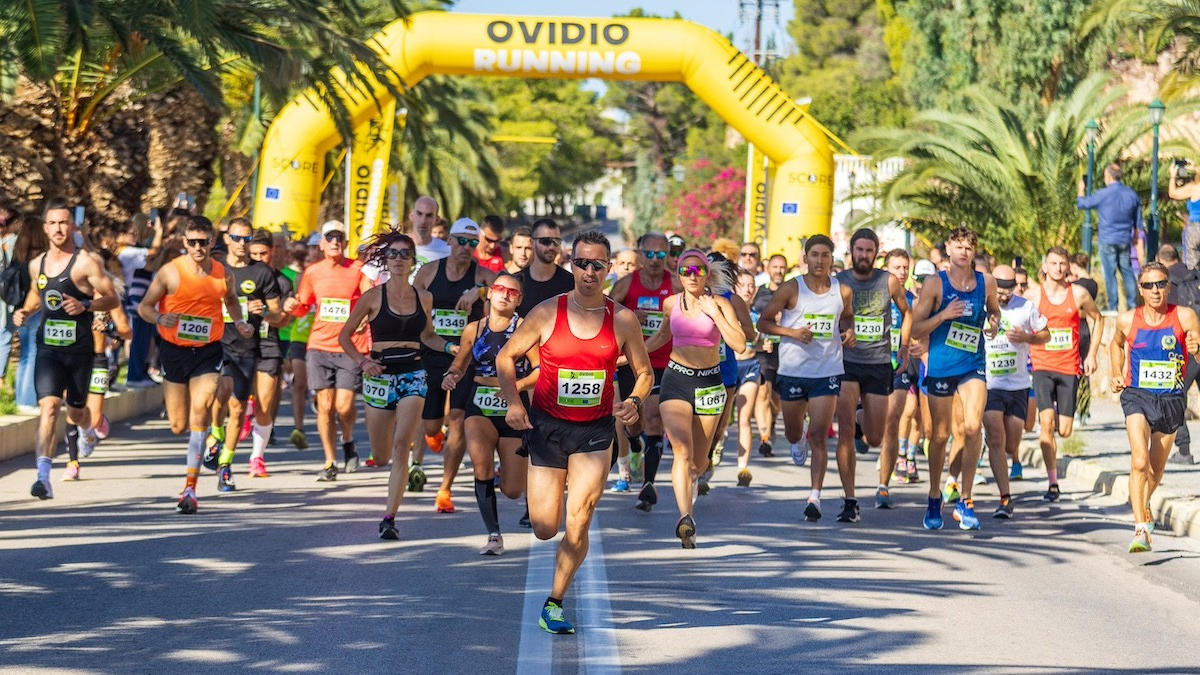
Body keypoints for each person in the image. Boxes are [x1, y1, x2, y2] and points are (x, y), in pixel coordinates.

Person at [496, 228, 652, 635]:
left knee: (579, 518)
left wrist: (634, 402)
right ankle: (546, 496)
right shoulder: (547, 312)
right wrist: (514, 402)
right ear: (571, 264)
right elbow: (505, 357)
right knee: (546, 527)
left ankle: (555, 602)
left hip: (595, 432)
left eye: (596, 264)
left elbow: (644, 373)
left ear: (608, 268)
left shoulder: (622, 320)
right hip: (547, 428)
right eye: (581, 263)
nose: (588, 271)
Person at [138, 216, 253, 513]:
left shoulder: (221, 273)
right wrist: (161, 318)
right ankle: (207, 444)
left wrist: (239, 321)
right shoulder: (169, 273)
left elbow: (231, 300)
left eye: (204, 242)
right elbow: (145, 307)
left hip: (207, 351)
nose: (199, 247)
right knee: (178, 425)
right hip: (174, 351)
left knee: (200, 408)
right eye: (193, 242)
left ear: (213, 242)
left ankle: (190, 488)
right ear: (184, 243)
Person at [336, 232, 444, 540]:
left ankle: (389, 517)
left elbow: (428, 336)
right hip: (379, 375)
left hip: (413, 373)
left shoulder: (424, 297)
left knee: (401, 447)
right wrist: (363, 362)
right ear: (386, 260)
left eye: (404, 254)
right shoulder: (372, 296)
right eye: (393, 254)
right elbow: (344, 337)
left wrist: (452, 349)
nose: (398, 259)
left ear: (413, 261)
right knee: (381, 455)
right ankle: (384, 477)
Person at [12, 199, 120, 498]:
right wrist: (24, 311)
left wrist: (86, 304)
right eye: (53, 223)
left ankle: (87, 430)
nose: (59, 229)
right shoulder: (37, 265)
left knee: (76, 411)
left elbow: (112, 299)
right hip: (48, 349)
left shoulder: (87, 263)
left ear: (73, 226)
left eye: (64, 223)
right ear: (45, 228)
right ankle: (43, 478)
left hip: (79, 351)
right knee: (49, 408)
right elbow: (38, 295)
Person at [642, 250, 744, 545]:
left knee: (697, 463)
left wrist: (715, 315)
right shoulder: (670, 303)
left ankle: (693, 487)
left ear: (706, 273)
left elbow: (738, 342)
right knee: (681, 452)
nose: (691, 276)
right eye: (685, 271)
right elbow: (662, 336)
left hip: (710, 384)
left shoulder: (721, 304)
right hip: (676, 380)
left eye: (697, 270)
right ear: (678, 274)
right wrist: (631, 354)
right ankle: (685, 517)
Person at [757, 234, 855, 523]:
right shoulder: (791, 288)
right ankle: (795, 439)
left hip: (826, 372)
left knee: (819, 436)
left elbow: (847, 318)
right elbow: (764, 322)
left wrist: (849, 332)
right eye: (815, 254)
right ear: (806, 257)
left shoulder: (843, 291)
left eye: (825, 255)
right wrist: (792, 333)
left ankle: (815, 495)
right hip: (793, 370)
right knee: (792, 432)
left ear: (831, 258)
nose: (820, 260)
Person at [909, 227, 1001, 530]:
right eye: (958, 246)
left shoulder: (985, 282)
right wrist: (943, 315)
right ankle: (934, 495)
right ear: (949, 249)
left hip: (972, 364)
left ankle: (966, 498)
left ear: (974, 251)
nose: (964, 252)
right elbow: (916, 330)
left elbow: (995, 311)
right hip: (941, 367)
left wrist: (994, 323)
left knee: (974, 428)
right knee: (939, 435)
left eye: (969, 247)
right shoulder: (936, 284)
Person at [442, 273, 539, 554]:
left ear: (519, 299)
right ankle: (494, 535)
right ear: (490, 293)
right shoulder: (474, 328)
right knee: (481, 466)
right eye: (499, 289)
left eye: (512, 291)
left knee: (512, 490)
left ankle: (506, 476)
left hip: (514, 408)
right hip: (480, 404)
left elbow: (539, 369)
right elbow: (460, 364)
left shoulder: (525, 330)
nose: (505, 294)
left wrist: (516, 387)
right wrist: (451, 375)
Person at [1108, 261, 1200, 552]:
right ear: (1140, 289)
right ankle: (1140, 528)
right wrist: (1115, 370)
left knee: (1155, 470)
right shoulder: (1127, 319)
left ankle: (1143, 502)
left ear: (1169, 286)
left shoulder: (1185, 317)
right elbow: (1115, 343)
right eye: (1149, 285)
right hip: (1137, 396)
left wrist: (1197, 348)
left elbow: (1198, 351)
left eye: (1161, 284)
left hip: (1171, 399)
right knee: (1139, 461)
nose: (1156, 290)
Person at [412, 217, 497, 512]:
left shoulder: (483, 275)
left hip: (467, 358)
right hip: (433, 353)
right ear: (450, 240)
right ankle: (433, 434)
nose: (466, 248)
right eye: (461, 241)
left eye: (473, 243)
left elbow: (510, 290)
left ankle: (444, 489)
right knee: (432, 424)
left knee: (459, 419)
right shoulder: (427, 273)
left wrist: (482, 292)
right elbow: (413, 311)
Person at [282, 220, 373, 481]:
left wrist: (367, 315)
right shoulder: (312, 272)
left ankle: (347, 440)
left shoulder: (358, 269)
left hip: (349, 347)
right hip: (319, 347)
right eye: (329, 237)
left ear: (345, 243)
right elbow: (302, 305)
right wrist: (292, 306)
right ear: (321, 244)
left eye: (339, 237)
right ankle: (330, 461)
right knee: (325, 406)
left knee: (343, 407)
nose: (334, 242)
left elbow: (371, 298)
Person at [835, 229, 911, 518]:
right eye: (859, 250)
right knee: (844, 433)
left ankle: (859, 417)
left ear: (876, 253)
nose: (863, 255)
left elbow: (908, 312)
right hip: (847, 362)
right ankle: (850, 500)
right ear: (851, 252)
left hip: (879, 364)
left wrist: (904, 346)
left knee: (876, 437)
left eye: (868, 251)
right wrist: (843, 331)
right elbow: (826, 315)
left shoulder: (888, 281)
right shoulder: (839, 281)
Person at [205, 218, 283, 490]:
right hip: (217, 343)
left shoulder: (261, 273)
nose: (242, 244)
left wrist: (265, 311)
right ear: (226, 238)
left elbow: (278, 314)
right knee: (220, 392)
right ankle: (215, 431)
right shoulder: (214, 268)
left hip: (248, 348)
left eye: (247, 239)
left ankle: (225, 464)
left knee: (238, 409)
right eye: (237, 238)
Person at [1027, 246, 1104, 501]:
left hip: (1069, 367)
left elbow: (1098, 318)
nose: (1058, 268)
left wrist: (1091, 354)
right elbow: (1012, 317)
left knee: (1065, 430)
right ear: (1045, 266)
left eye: (1063, 264)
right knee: (1046, 423)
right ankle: (1052, 483)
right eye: (1054, 263)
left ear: (1068, 267)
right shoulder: (1034, 296)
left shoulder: (1079, 294)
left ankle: (1054, 469)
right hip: (1042, 366)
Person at [608, 232, 677, 512]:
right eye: (649, 254)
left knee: (653, 418)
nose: (654, 260)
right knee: (632, 423)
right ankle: (634, 443)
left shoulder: (675, 283)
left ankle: (647, 485)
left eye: (661, 254)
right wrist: (627, 314)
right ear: (640, 254)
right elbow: (605, 310)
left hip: (663, 363)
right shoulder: (628, 283)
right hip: (631, 362)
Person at [983, 265, 1049, 519]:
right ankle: (1005, 497)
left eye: (1008, 291)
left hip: (1018, 385)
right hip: (990, 385)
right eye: (999, 291)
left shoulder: (1025, 307)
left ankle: (1001, 452)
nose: (1004, 296)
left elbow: (1046, 334)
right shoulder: (983, 307)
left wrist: (1027, 338)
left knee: (1011, 444)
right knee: (997, 439)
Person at [1077, 163, 1142, 311]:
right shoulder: (1132, 194)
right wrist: (1135, 237)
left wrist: (1081, 189)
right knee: (1127, 271)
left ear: (1109, 176)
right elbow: (1138, 222)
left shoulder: (1103, 194)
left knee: (1109, 274)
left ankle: (1113, 306)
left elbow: (1082, 204)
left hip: (1107, 240)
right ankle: (1133, 306)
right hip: (1124, 239)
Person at [1158, 244, 1200, 465]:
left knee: (1176, 396)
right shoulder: (1195, 275)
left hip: (1185, 348)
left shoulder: (1168, 283)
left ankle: (1183, 450)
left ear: (1161, 260)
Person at [753, 253, 787, 457]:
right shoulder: (760, 293)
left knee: (777, 400)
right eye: (775, 267)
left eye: (782, 267)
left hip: (785, 352)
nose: (779, 271)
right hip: (764, 351)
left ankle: (772, 422)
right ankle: (765, 438)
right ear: (768, 269)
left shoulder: (792, 292)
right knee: (763, 394)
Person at [732, 269, 762, 485]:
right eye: (743, 285)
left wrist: (764, 343)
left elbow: (762, 340)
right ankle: (714, 451)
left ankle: (743, 468)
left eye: (751, 285)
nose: (748, 289)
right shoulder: (726, 311)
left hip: (751, 365)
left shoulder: (758, 315)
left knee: (744, 417)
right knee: (722, 421)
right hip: (730, 366)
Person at [1169, 161, 1200, 268]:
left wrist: (1173, 176)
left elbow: (1173, 193)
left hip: (1195, 228)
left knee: (1192, 264)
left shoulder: (1194, 188)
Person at [407, 196, 451, 273]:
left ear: (436, 220)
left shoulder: (447, 252)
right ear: (411, 216)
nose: (423, 220)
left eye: (429, 215)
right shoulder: (392, 247)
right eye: (419, 214)